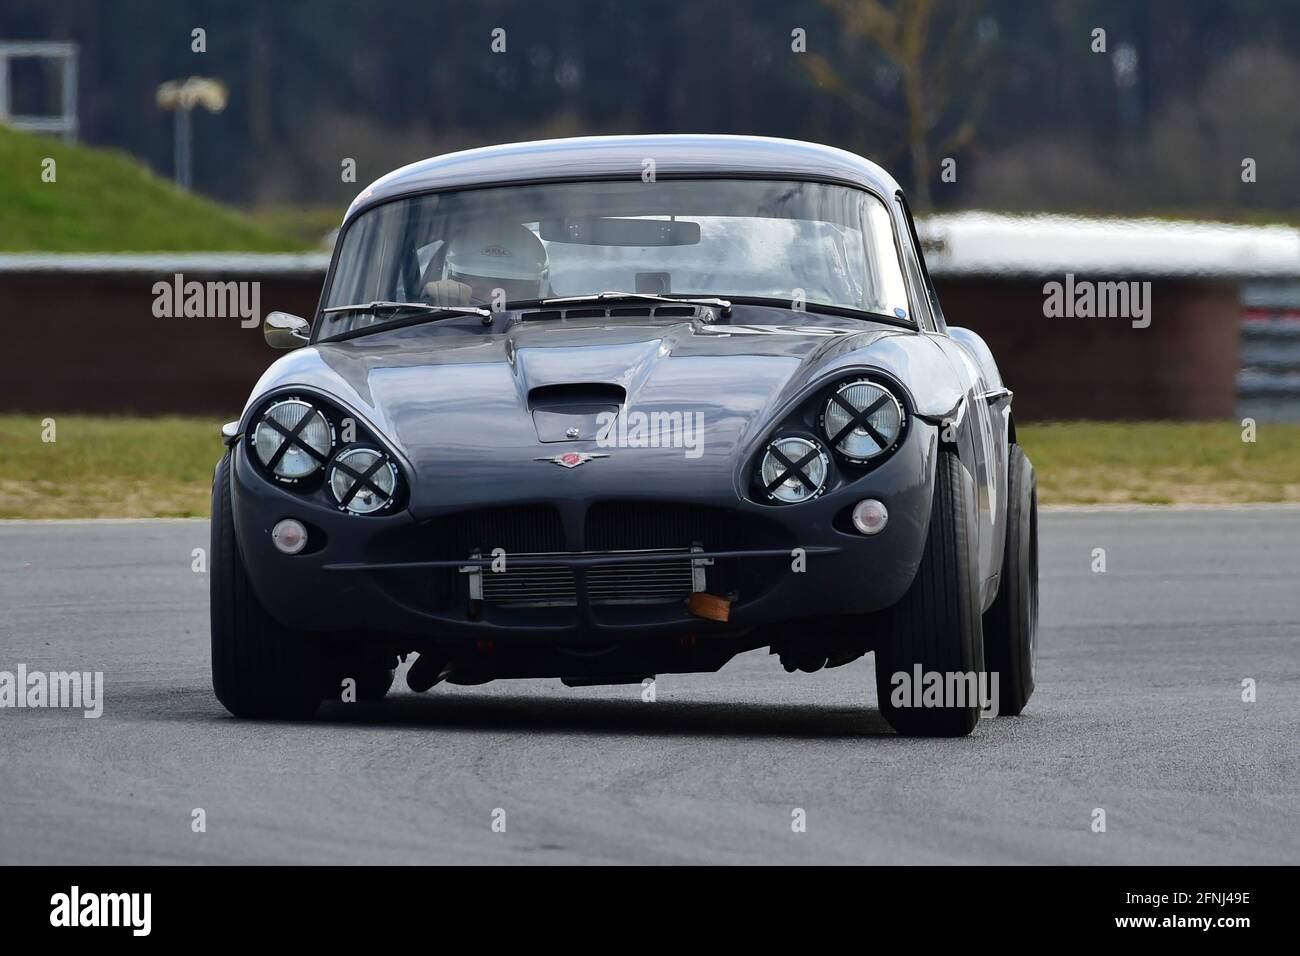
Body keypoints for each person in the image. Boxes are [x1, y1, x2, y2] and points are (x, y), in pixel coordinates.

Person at [423, 223, 549, 307]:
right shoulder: (433, 328)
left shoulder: (554, 326)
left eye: (508, 290)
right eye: (478, 289)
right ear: (451, 282)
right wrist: (434, 299)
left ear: (534, 291)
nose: (492, 300)